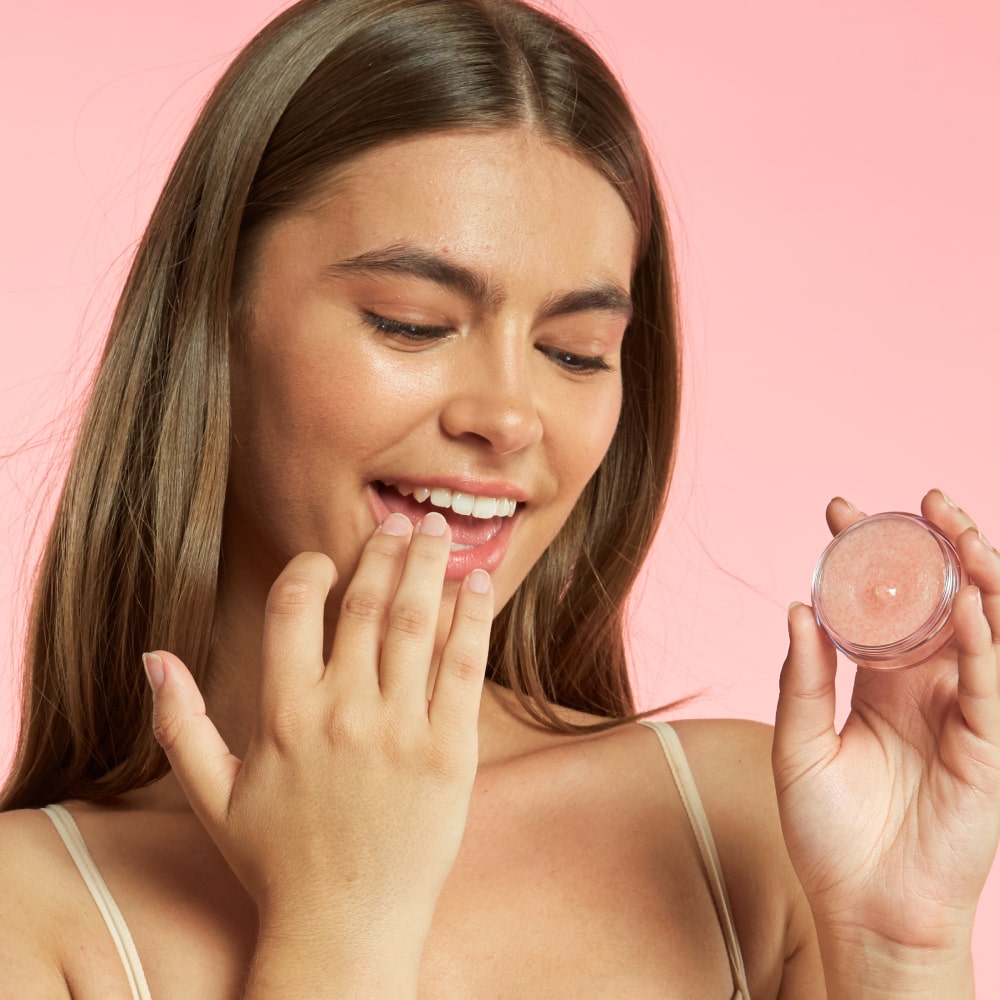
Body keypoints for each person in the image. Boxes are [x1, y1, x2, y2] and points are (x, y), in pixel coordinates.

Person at [1, 0, 998, 996]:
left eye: (573, 351)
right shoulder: (28, 908)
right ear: (210, 319)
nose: (510, 417)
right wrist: (339, 924)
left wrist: (898, 949)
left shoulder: (746, 825)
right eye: (412, 323)